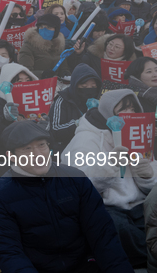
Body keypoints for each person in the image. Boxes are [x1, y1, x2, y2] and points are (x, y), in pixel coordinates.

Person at [0, 120, 134, 273]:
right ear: (11, 156)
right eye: (27, 148)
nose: (37, 154)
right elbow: (8, 251)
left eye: (42, 145)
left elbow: (102, 234)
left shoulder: (75, 178)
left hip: (84, 265)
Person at [62, 89, 157, 267]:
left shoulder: (139, 132)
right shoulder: (85, 139)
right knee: (118, 228)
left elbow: (151, 183)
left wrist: (147, 175)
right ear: (107, 111)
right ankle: (147, 256)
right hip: (108, 207)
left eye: (133, 109)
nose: (129, 114)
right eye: (123, 109)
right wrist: (108, 166)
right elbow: (77, 187)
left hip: (139, 204)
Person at [47, 63, 101, 153]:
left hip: (95, 148)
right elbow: (55, 130)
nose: (89, 89)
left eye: (93, 86)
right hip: (67, 150)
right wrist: (79, 122)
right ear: (75, 85)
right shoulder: (63, 100)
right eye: (84, 86)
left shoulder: (100, 100)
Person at [18, 14, 66, 78]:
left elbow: (64, 67)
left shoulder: (59, 46)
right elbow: (25, 71)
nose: (44, 29)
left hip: (57, 84)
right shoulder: (29, 46)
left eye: (49, 27)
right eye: (41, 26)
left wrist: (65, 73)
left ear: (56, 30)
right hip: (37, 85)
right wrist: (42, 74)